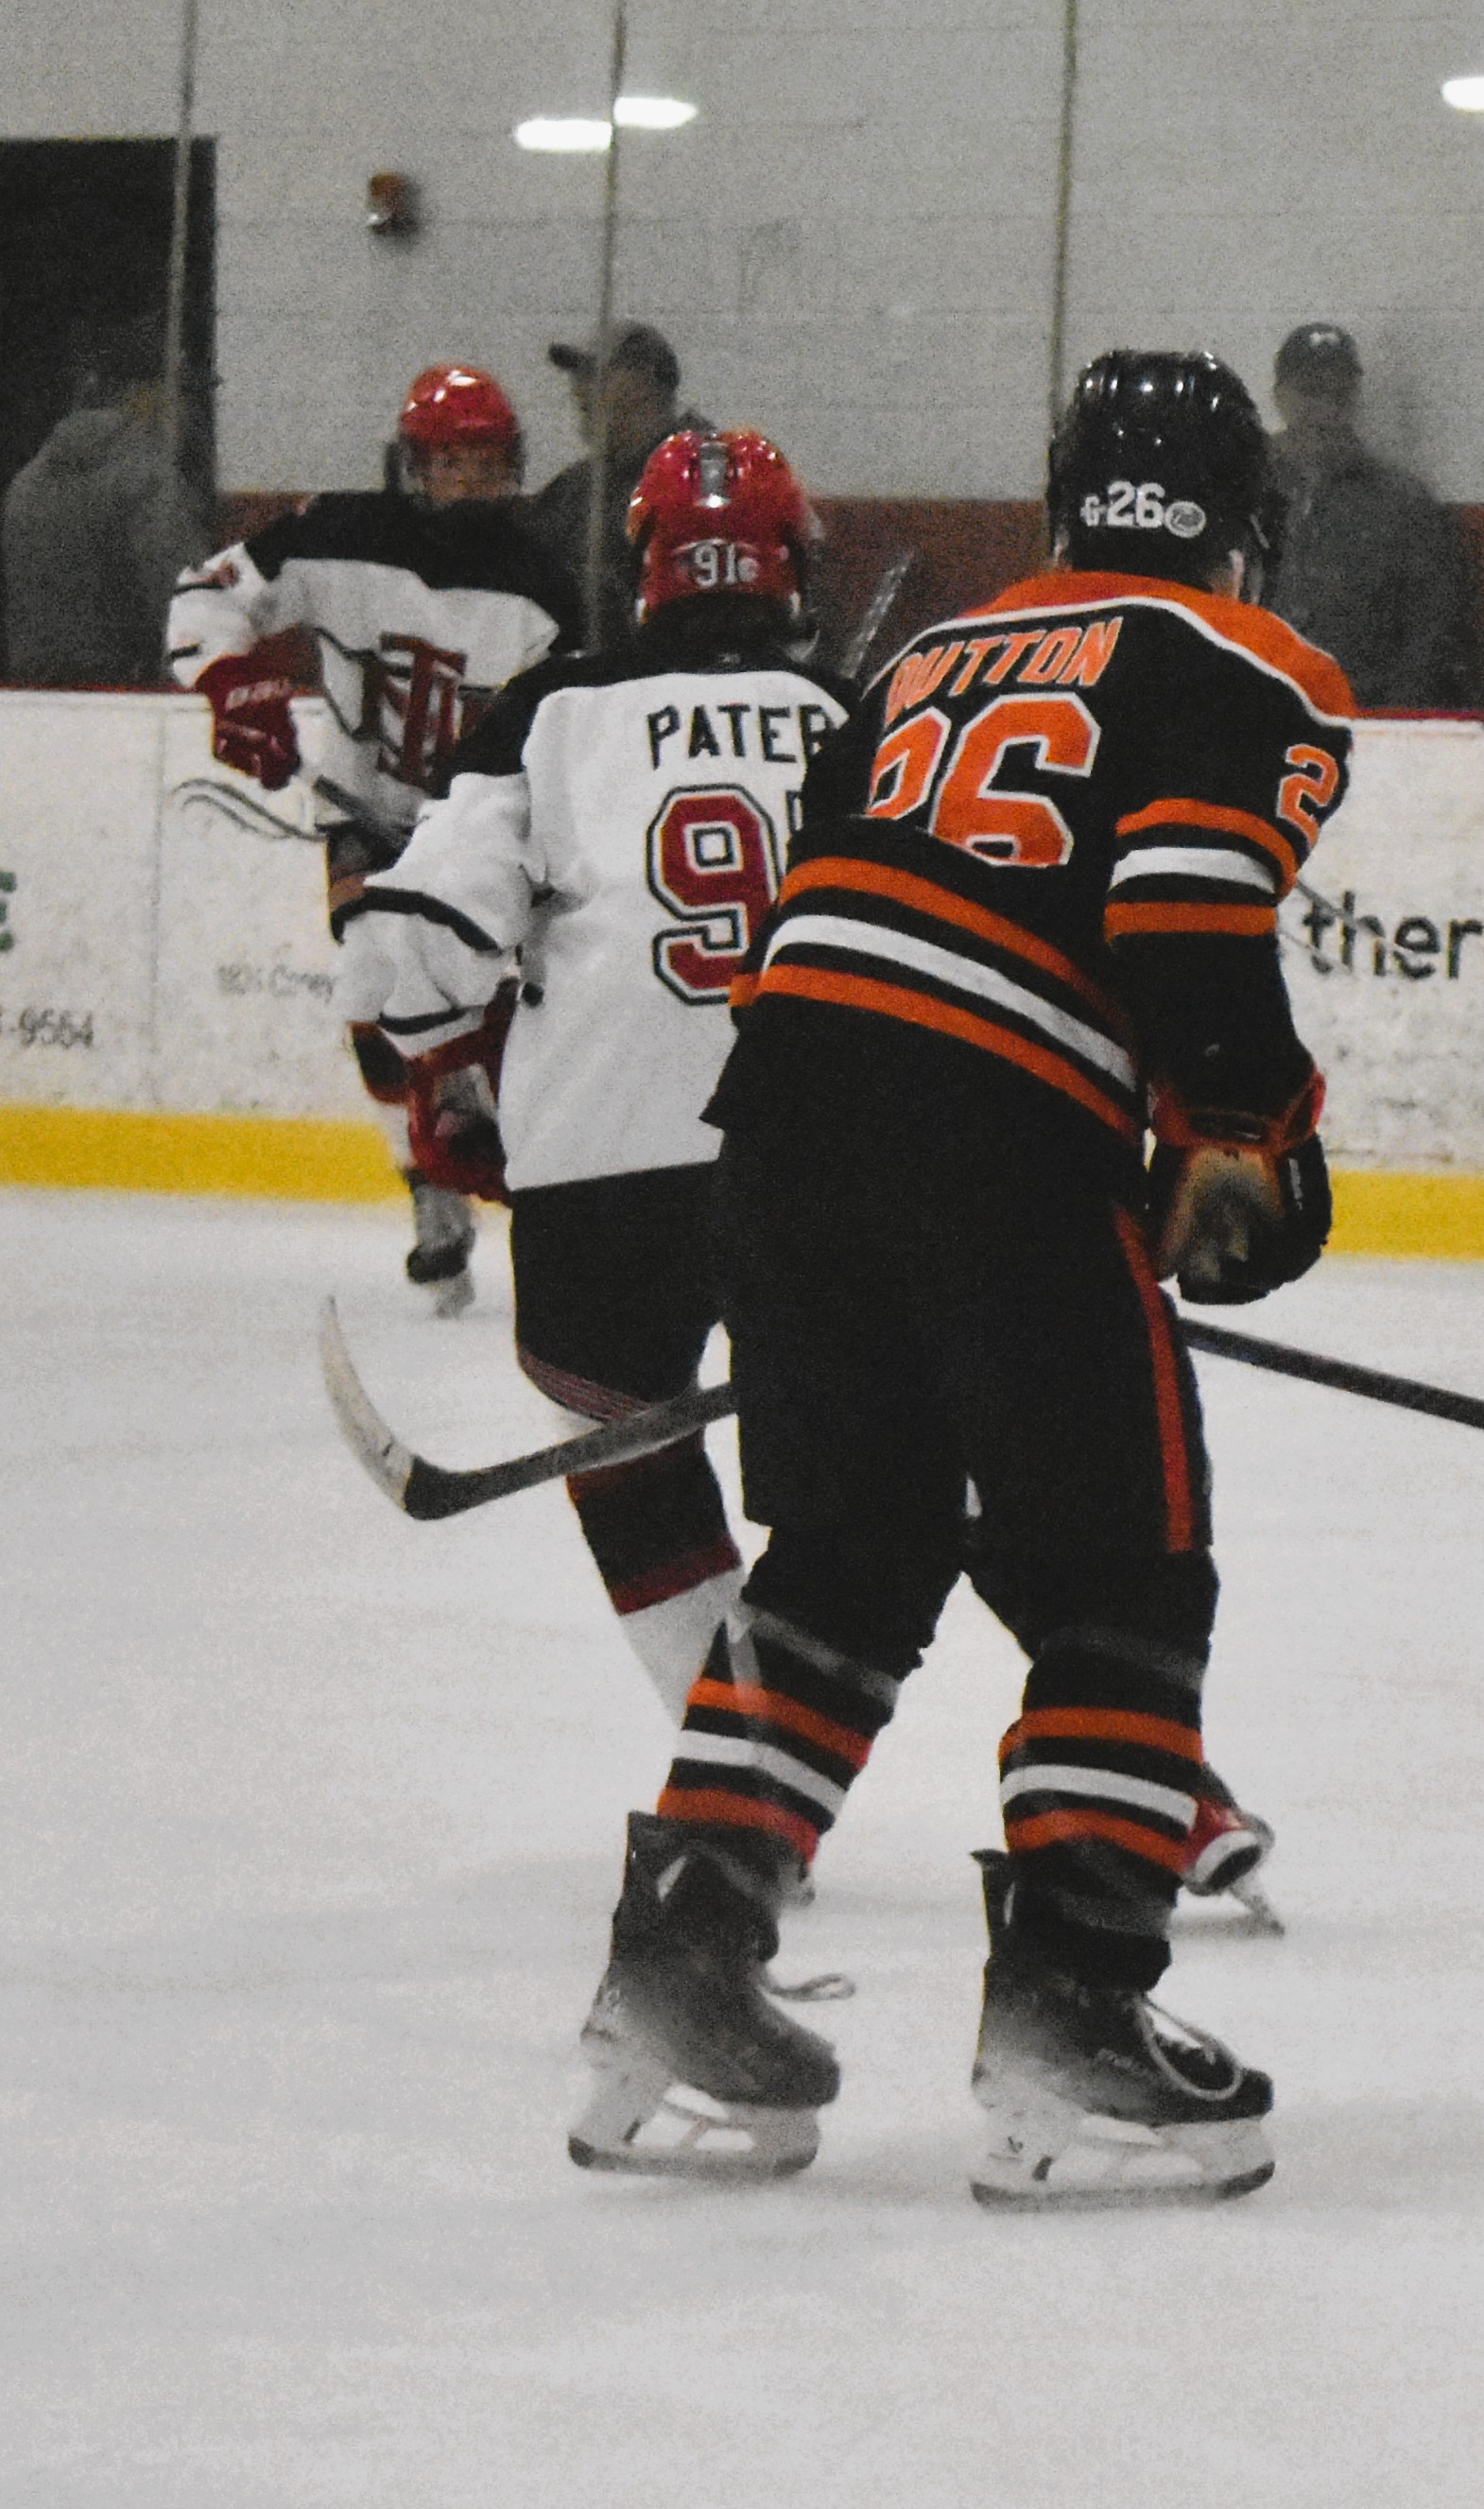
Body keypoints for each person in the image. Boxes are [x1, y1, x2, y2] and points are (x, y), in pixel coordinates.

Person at [564, 349, 1346, 2206]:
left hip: (782, 1112)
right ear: (1242, 522)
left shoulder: (927, 656)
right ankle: (1075, 2004)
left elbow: (824, 906)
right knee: (1123, 1559)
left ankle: (679, 1969)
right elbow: (1182, 898)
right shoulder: (1246, 657)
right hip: (995, 1121)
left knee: (849, 1551)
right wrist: (1236, 1120)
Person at [333, 431, 848, 1719]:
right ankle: (1136, 1750)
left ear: (643, 572)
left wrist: (445, 1070)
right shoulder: (860, 715)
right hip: (828, 1164)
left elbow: (420, 950)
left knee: (620, 1442)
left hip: (604, 1170)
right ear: (790, 565)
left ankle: (733, 1750)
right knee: (899, 1477)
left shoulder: (550, 710)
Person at [168, 364, 580, 1314]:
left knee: (487, 1015)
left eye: (488, 464)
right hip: (364, 808)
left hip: (476, 828)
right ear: (412, 466)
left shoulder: (546, 588)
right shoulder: (337, 534)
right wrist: (234, 684)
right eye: (452, 463)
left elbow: (564, 726)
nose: (471, 483)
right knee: (368, 998)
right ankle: (430, 1186)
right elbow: (208, 594)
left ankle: (519, 1172)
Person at [1268, 322, 1472, 708]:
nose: (1326, 409)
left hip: (1362, 712)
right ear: (1280, 397)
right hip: (1253, 706)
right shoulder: (1239, 491)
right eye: (1311, 392)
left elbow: (1431, 634)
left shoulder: (1404, 505)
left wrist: (1388, 724)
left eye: (1340, 395)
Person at [3, 325, 210, 684]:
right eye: (184, 392)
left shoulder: (28, 480)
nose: (190, 410)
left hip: (34, 695)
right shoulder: (146, 479)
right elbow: (186, 605)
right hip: (127, 694)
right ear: (145, 393)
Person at [526, 321, 703, 654]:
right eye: (578, 376)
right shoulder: (573, 490)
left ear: (644, 381)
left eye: (595, 374)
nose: (580, 389)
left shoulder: (705, 476)